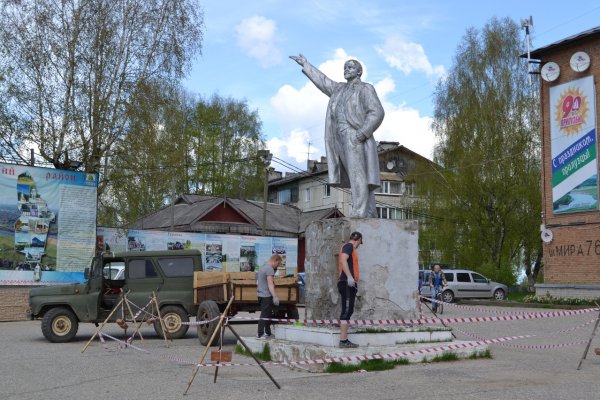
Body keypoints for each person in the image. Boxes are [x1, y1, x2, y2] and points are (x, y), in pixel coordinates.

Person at [290, 54, 384, 218]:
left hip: (354, 135)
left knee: (357, 174)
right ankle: (369, 211)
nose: (346, 70)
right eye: (345, 67)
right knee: (357, 175)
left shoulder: (365, 89)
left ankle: (360, 211)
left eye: (350, 67)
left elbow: (377, 112)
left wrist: (361, 133)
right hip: (339, 139)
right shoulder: (339, 89)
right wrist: (306, 64)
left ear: (359, 72)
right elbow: (323, 81)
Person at [337, 231, 363, 348]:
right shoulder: (349, 246)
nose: (359, 246)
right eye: (360, 243)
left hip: (349, 284)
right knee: (347, 310)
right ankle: (343, 340)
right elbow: (343, 260)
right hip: (347, 283)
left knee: (349, 310)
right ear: (358, 240)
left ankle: (344, 339)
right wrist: (349, 277)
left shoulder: (348, 247)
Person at [256, 254, 282, 339]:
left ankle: (268, 333)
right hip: (266, 296)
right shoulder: (269, 269)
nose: (277, 266)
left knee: (267, 315)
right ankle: (260, 334)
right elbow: (270, 284)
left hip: (260, 295)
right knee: (264, 315)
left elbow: (258, 282)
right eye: (278, 264)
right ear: (275, 261)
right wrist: (275, 296)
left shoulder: (263, 267)